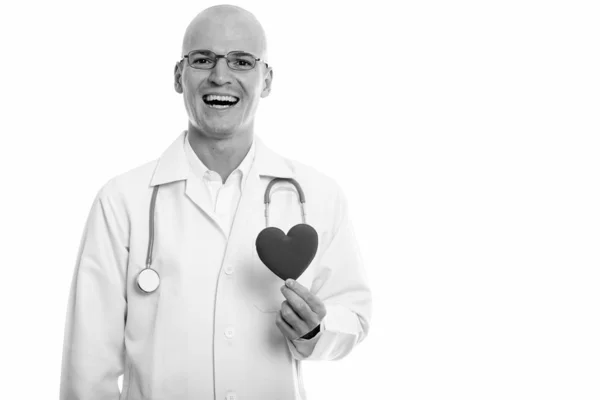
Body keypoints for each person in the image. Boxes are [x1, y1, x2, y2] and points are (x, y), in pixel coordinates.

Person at [59, 5, 372, 400]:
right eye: (202, 59)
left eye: (241, 61)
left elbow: (354, 313)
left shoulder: (319, 194)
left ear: (267, 79)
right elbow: (88, 367)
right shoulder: (121, 201)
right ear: (179, 76)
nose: (220, 76)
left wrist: (316, 330)